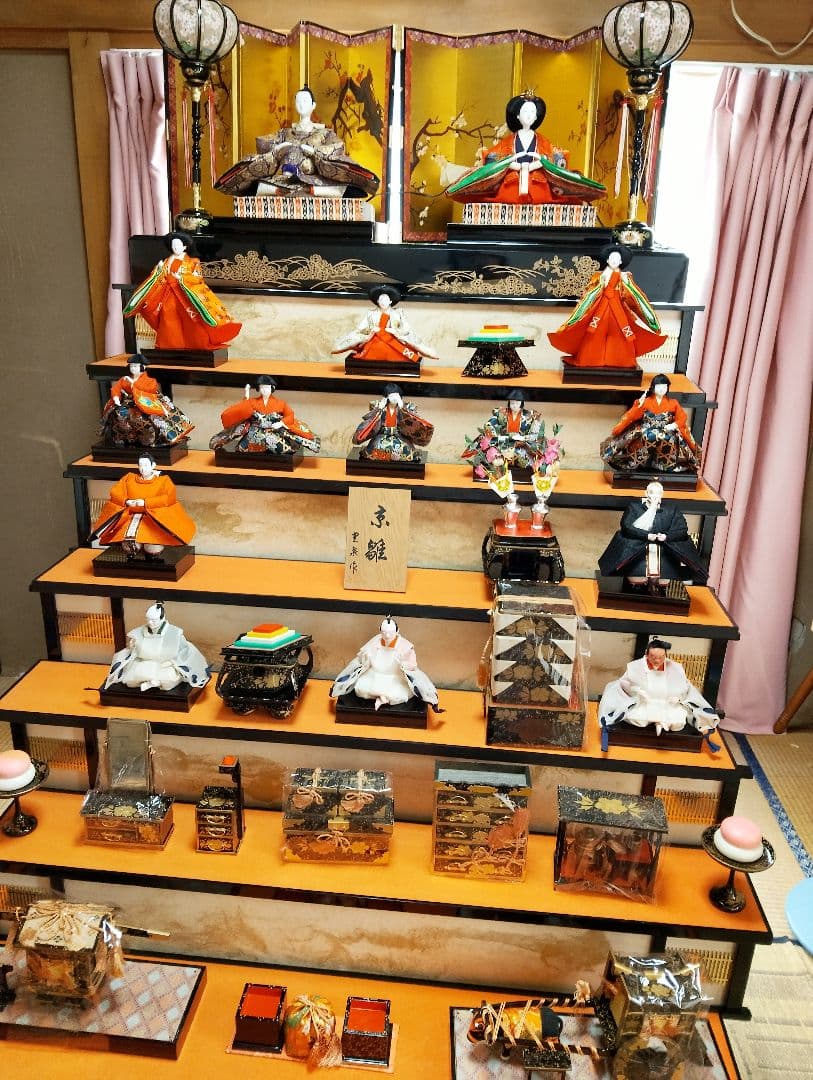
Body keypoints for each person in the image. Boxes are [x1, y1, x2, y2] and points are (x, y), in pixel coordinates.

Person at [214, 84, 379, 198]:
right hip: (285, 180)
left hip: (314, 182)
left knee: (342, 190)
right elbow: (264, 146)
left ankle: (306, 192)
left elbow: (336, 151)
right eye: (298, 101)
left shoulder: (325, 133)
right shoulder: (284, 132)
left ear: (313, 105)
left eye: (305, 101)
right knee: (255, 186)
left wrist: (315, 153)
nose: (301, 104)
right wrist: (278, 150)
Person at [446, 93, 605, 205]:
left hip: (538, 183)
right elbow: (492, 162)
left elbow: (557, 162)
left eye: (532, 112)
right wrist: (509, 163)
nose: (529, 115)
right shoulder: (506, 143)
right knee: (504, 195)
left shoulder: (545, 143)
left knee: (551, 196)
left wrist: (541, 162)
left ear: (536, 117)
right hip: (512, 184)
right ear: (517, 115)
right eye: (525, 111)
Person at [548, 243, 666, 368]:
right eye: (612, 258)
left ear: (621, 261)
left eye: (617, 259)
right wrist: (600, 284)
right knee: (594, 333)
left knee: (620, 334)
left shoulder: (624, 277)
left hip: (618, 309)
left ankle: (621, 360)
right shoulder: (599, 276)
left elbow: (633, 296)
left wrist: (626, 282)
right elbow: (590, 293)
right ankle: (589, 359)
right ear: (607, 260)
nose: (614, 261)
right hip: (601, 308)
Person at [123, 231, 241, 351]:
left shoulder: (193, 262)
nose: (175, 247)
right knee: (168, 319)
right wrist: (158, 270)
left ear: (184, 246)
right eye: (173, 245)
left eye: (178, 245)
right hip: (169, 294)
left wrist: (182, 278)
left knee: (192, 320)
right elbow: (159, 276)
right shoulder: (166, 261)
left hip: (185, 295)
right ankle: (170, 345)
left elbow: (197, 278)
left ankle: (197, 344)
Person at [599, 636, 721, 740]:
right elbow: (624, 686)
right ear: (647, 654)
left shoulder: (675, 668)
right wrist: (637, 692)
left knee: (678, 719)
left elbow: (684, 687)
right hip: (643, 704)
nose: (657, 660)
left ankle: (662, 722)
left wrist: (677, 697)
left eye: (661, 657)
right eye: (653, 657)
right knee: (636, 718)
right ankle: (656, 722)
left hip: (668, 704)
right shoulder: (635, 667)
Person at [89, 452, 195, 558]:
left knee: (153, 548)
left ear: (153, 465)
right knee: (129, 546)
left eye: (146, 465)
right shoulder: (129, 478)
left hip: (153, 518)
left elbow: (168, 498)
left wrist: (145, 502)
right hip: (130, 517)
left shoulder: (163, 480)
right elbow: (115, 492)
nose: (143, 468)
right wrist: (126, 501)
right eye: (140, 465)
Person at [597, 481, 707, 583]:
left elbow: (682, 530)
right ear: (646, 493)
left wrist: (666, 537)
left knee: (664, 579)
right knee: (637, 576)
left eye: (658, 493)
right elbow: (626, 526)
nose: (654, 496)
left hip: (664, 552)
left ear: (662, 494)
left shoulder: (672, 510)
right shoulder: (634, 508)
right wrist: (646, 535)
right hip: (638, 551)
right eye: (651, 492)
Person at [330, 616, 441, 712]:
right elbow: (363, 658)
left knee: (399, 693)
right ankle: (382, 697)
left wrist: (404, 664)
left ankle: (383, 698)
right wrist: (367, 658)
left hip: (396, 677)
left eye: (390, 633)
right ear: (380, 630)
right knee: (360, 688)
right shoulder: (375, 641)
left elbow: (412, 665)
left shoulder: (405, 646)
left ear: (397, 631)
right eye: (384, 632)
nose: (387, 636)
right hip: (374, 674)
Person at [600, 374, 701, 474]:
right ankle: (637, 462)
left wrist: (674, 425)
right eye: (659, 386)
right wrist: (638, 405)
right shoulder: (646, 402)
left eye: (664, 386)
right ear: (653, 387)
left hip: (666, 431)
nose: (661, 389)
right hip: (647, 430)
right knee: (645, 436)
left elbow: (682, 417)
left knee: (670, 439)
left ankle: (665, 465)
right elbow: (633, 416)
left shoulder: (673, 403)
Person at [103, 601, 209, 693]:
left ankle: (156, 682)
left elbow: (184, 651)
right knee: (132, 680)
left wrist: (173, 662)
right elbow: (133, 651)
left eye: (153, 620)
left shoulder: (174, 633)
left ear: (162, 618)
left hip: (166, 665)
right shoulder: (140, 632)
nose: (150, 623)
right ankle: (149, 682)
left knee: (169, 678)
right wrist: (133, 647)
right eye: (148, 619)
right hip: (144, 662)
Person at [97, 355, 194, 449]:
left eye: (135, 366)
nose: (133, 368)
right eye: (131, 366)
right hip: (128, 403)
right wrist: (116, 397)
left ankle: (155, 438)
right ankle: (126, 438)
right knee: (118, 414)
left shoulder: (150, 380)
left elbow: (151, 389)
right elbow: (116, 388)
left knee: (153, 418)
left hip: (147, 402)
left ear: (143, 367)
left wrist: (133, 384)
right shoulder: (124, 379)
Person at [209, 376, 321, 455]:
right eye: (262, 387)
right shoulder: (253, 402)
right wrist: (246, 395)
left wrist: (281, 423)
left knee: (284, 449)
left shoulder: (281, 403)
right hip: (255, 432)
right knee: (241, 449)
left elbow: (290, 415)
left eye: (267, 387)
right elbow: (244, 408)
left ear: (272, 388)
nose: (264, 390)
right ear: (258, 388)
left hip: (273, 433)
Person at [332, 285, 438, 366]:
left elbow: (406, 328)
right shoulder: (371, 313)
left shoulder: (398, 313)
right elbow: (361, 328)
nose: (383, 302)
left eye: (386, 299)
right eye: (381, 300)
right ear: (377, 301)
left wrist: (395, 332)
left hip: (395, 341)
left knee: (402, 351)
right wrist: (371, 330)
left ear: (390, 301)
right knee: (376, 348)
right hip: (374, 340)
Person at [351, 384, 434, 463]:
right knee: (376, 448)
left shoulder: (406, 407)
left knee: (405, 450)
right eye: (391, 396)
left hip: (400, 436)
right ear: (386, 397)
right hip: (382, 436)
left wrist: (403, 409)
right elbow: (371, 421)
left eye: (396, 396)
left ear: (400, 397)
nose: (394, 398)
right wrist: (379, 409)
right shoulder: (380, 406)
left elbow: (413, 422)